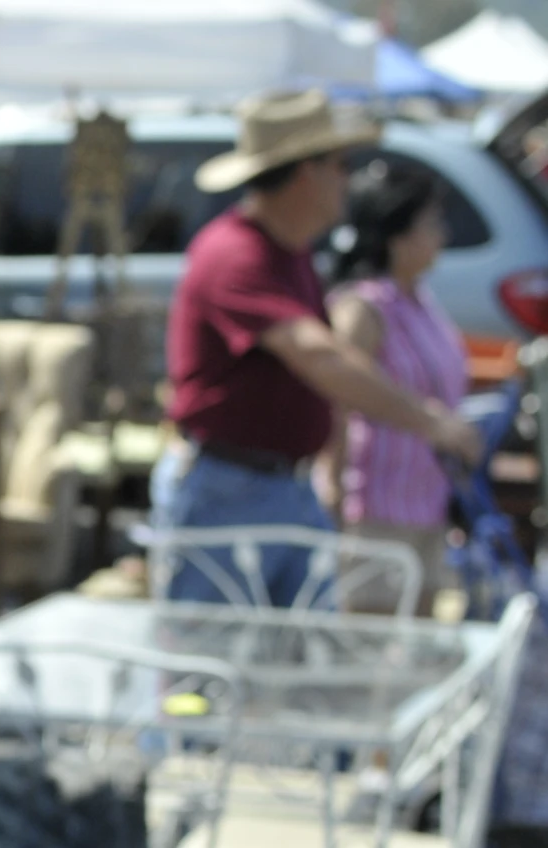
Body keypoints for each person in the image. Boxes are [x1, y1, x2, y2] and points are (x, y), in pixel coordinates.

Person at [155, 89, 481, 605]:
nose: (347, 180)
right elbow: (320, 358)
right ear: (307, 172)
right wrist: (432, 422)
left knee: (292, 665)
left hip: (276, 486)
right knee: (207, 662)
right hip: (230, 490)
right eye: (340, 164)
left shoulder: (288, 253)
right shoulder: (236, 253)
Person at [321, 159, 467, 612]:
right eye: (430, 223)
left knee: (420, 652)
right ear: (398, 235)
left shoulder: (419, 298)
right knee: (368, 652)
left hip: (425, 500)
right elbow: (336, 398)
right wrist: (331, 483)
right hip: (375, 508)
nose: (441, 233)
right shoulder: (362, 308)